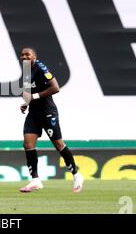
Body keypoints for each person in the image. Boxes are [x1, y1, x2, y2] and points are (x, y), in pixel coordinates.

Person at [19, 47, 83, 193]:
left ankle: (77, 176)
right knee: (28, 143)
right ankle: (35, 180)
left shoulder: (41, 68)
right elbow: (30, 93)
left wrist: (34, 97)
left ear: (34, 56)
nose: (24, 57)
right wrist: (26, 103)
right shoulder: (27, 71)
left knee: (58, 144)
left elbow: (55, 88)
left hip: (47, 113)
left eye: (27, 54)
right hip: (33, 113)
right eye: (22, 55)